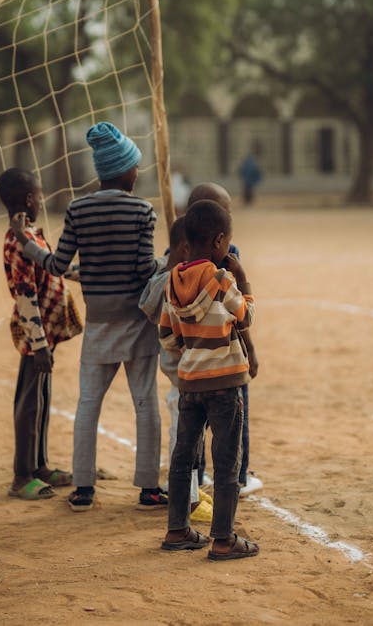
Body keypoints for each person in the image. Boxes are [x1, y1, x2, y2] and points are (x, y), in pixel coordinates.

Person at [10, 122, 166, 512]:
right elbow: (144, 271)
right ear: (125, 170)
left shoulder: (78, 209)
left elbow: (60, 264)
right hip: (136, 322)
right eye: (135, 166)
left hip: (99, 324)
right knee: (145, 402)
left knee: (88, 404)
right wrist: (169, 264)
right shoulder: (143, 211)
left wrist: (28, 246)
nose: (137, 172)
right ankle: (148, 488)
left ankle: (83, 488)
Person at [159, 199, 260, 560]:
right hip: (225, 382)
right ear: (220, 242)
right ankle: (222, 539)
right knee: (226, 459)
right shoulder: (221, 278)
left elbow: (168, 338)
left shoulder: (172, 280)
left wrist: (193, 344)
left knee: (183, 456)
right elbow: (245, 316)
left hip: (190, 382)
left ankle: (177, 530)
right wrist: (242, 278)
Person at [0, 168, 83, 500]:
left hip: (47, 331)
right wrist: (39, 344)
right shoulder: (16, 240)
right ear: (30, 199)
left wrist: (93, 273)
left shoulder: (30, 234)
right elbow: (25, 293)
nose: (42, 200)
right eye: (40, 194)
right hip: (37, 335)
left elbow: (54, 268)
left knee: (42, 396)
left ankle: (40, 465)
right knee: (29, 400)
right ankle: (22, 475)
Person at [186, 183, 262, 498]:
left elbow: (167, 326)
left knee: (194, 426)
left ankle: (199, 474)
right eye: (226, 211)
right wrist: (251, 349)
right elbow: (242, 315)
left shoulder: (177, 257)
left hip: (191, 362)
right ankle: (239, 477)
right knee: (234, 419)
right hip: (228, 358)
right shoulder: (228, 258)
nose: (230, 216)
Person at [139, 216, 214, 523]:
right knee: (183, 440)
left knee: (191, 440)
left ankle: (191, 491)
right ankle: (189, 501)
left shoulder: (171, 280)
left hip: (186, 376)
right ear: (187, 249)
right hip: (183, 377)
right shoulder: (172, 284)